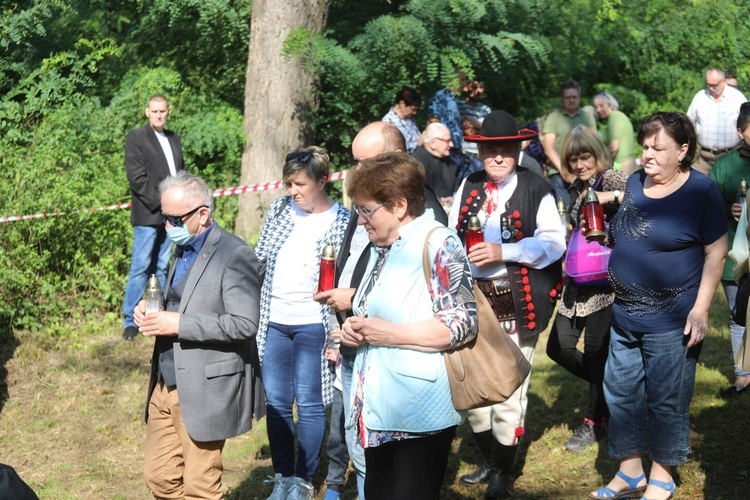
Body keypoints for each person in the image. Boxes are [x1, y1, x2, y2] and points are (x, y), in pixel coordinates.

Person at [591, 112, 727, 500]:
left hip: (672, 320)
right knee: (620, 392)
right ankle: (630, 471)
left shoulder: (701, 192)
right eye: (645, 146)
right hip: (625, 314)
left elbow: (716, 253)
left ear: (683, 151)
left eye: (658, 148)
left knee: (666, 399)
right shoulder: (634, 182)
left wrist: (701, 310)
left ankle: (663, 476)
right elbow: (625, 227)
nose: (648, 155)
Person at [315, 121, 445, 500]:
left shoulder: (428, 222)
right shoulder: (371, 209)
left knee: (403, 478)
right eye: (355, 163)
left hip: (407, 380)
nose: (358, 170)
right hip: (364, 360)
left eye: (365, 161)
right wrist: (349, 324)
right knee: (369, 465)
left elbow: (447, 314)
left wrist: (361, 307)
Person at [340, 152, 478, 499]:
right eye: (360, 210)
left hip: (417, 413)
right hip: (377, 408)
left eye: (367, 210)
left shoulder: (438, 242)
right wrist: (355, 332)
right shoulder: (379, 247)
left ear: (399, 205)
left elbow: (461, 325)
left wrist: (388, 334)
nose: (361, 221)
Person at [449, 110, 566, 499]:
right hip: (471, 302)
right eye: (490, 151)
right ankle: (491, 458)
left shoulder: (536, 187)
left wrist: (506, 250)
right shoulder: (469, 184)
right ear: (481, 153)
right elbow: (451, 239)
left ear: (517, 150)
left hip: (515, 300)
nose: (497, 158)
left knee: (509, 391)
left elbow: (554, 243)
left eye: (505, 150)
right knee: (474, 392)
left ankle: (504, 470)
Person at [135, 171, 262, 499]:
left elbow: (243, 323)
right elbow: (183, 299)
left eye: (174, 219)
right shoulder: (183, 247)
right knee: (160, 477)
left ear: (203, 213)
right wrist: (149, 313)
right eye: (164, 217)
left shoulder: (235, 254)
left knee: (200, 486)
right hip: (164, 383)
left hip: (204, 388)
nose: (167, 226)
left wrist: (178, 323)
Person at [254, 147, 351, 500]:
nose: (293, 191)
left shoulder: (342, 220)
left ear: (323, 181)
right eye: (289, 183)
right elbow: (259, 258)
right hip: (275, 321)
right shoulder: (280, 210)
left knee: (310, 404)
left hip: (314, 324)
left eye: (300, 184)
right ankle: (283, 477)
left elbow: (350, 274)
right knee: (277, 403)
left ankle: (303, 480)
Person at [546, 126, 628, 451]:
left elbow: (641, 200)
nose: (580, 164)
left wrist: (612, 198)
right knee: (558, 347)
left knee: (596, 352)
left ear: (598, 154)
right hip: (577, 282)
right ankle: (617, 390)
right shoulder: (573, 188)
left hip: (606, 283)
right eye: (574, 159)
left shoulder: (611, 178)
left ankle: (596, 421)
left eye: (586, 157)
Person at [123, 94, 185, 340]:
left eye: (163, 111)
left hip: (173, 216)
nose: (159, 115)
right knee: (140, 267)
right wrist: (162, 205)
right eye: (155, 111)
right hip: (148, 213)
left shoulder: (174, 139)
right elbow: (137, 178)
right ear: (147, 112)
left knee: (162, 266)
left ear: (168, 111)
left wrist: (181, 205)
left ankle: (155, 314)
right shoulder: (136, 137)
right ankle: (130, 320)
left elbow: (181, 174)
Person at [709, 102, 750, 396]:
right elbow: (705, 206)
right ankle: (744, 374)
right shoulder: (725, 165)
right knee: (739, 313)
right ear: (740, 132)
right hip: (736, 254)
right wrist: (728, 208)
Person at [542, 80, 597, 206]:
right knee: (563, 212)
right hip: (559, 172)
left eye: (574, 97)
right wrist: (563, 170)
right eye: (568, 97)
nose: (571, 100)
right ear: (562, 98)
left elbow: (594, 145)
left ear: (579, 97)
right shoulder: (554, 117)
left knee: (587, 207)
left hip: (585, 171)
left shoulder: (587, 117)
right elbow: (548, 147)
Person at [687, 67, 748, 176]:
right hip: (704, 159)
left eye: (714, 85)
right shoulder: (700, 97)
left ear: (724, 81)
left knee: (730, 190)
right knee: (694, 186)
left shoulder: (737, 98)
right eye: (708, 85)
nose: (711, 88)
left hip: (730, 157)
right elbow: (688, 123)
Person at [412, 122, 457, 210]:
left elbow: (455, 187)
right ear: (433, 142)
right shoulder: (416, 162)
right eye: (447, 141)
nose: (451, 144)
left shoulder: (447, 159)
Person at [593, 92, 637, 174]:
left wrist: (602, 165)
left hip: (623, 167)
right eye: (596, 107)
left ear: (610, 104)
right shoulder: (614, 118)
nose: (598, 110)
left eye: (601, 106)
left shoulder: (615, 117)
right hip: (623, 166)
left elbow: (614, 148)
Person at [381, 86, 422, 154]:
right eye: (413, 109)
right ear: (402, 104)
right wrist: (418, 144)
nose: (414, 113)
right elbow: (396, 150)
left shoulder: (410, 120)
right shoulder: (388, 122)